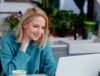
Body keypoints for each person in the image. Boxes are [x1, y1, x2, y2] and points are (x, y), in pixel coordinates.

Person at [0, 7, 57, 76]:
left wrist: (60, 70)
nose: (39, 31)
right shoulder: (7, 40)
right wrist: (23, 47)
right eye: (35, 26)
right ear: (25, 24)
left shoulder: (43, 41)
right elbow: (10, 72)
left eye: (43, 28)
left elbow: (50, 67)